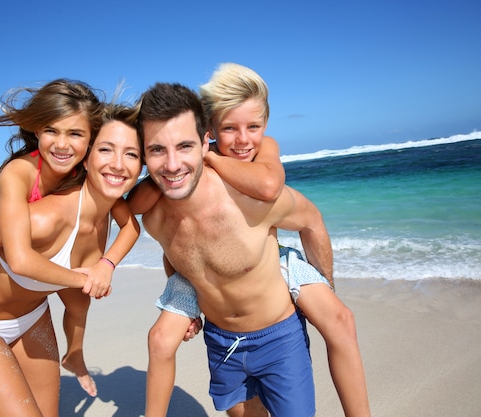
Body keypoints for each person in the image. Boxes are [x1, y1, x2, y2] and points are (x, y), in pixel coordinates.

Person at [130, 64, 370, 417]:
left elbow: (303, 212)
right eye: (157, 151)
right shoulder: (154, 209)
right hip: (222, 336)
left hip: (275, 293)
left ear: (202, 141)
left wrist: (324, 286)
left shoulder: (255, 193)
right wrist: (186, 300)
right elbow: (177, 250)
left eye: (185, 146)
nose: (243, 140)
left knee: (339, 320)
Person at [0, 104, 143, 417]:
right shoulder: (41, 218)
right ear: (89, 155)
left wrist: (105, 266)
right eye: (106, 150)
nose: (118, 164)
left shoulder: (111, 208)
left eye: (132, 154)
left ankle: (74, 356)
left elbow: (132, 227)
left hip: (34, 319)